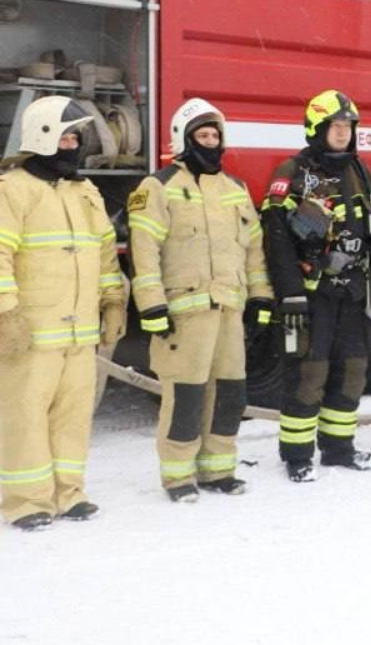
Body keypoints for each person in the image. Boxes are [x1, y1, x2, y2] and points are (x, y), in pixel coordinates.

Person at [127, 98, 271, 501]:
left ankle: (218, 470)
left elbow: (254, 251)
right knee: (186, 397)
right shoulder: (158, 187)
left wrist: (261, 298)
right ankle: (178, 477)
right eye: (202, 135)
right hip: (183, 315)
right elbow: (144, 251)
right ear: (184, 139)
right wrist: (151, 305)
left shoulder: (235, 189)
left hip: (229, 311)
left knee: (230, 394)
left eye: (214, 136)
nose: (209, 142)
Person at [261, 90, 371, 482]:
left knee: (352, 371)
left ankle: (339, 448)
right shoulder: (293, 173)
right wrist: (290, 293)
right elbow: (276, 239)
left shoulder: (361, 172)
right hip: (313, 294)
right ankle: (297, 456)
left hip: (354, 292)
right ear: (316, 129)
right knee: (309, 374)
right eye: (335, 126)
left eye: (348, 126)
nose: (343, 133)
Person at [0, 97, 125, 530]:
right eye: (65, 137)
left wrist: (113, 301)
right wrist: (6, 314)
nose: (72, 146)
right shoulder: (12, 189)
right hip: (32, 333)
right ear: (42, 137)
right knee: (25, 416)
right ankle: (27, 501)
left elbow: (105, 254)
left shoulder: (85, 192)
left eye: (76, 138)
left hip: (79, 333)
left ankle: (69, 493)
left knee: (73, 416)